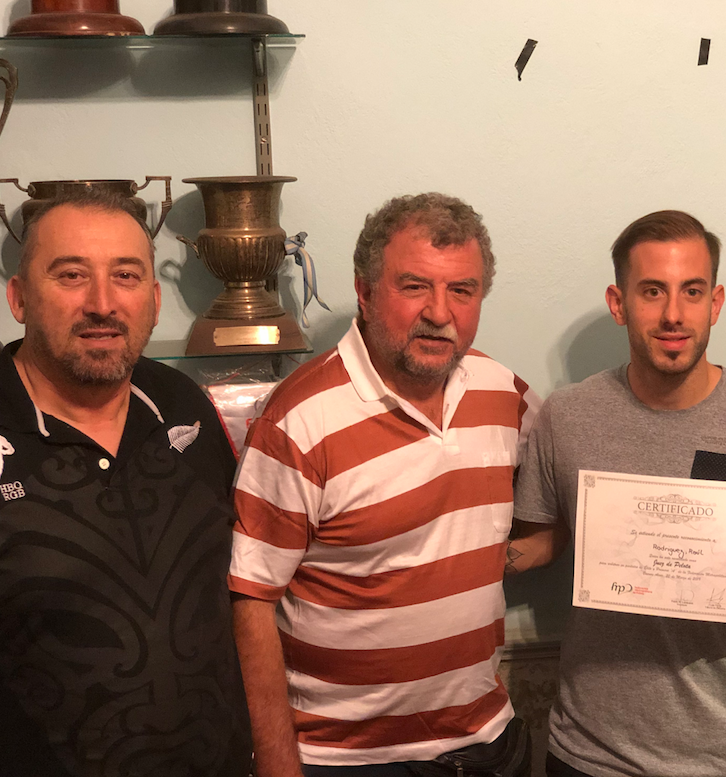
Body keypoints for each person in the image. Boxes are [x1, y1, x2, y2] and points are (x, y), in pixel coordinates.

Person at [229, 193, 540, 777]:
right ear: (365, 293)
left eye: (462, 290)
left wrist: (510, 554)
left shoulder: (503, 393)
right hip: (347, 760)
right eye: (414, 286)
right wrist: (276, 765)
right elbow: (251, 599)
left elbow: (566, 496)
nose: (440, 312)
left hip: (488, 743)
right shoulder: (299, 420)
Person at [508, 210, 726, 777]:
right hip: (588, 753)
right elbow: (541, 541)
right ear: (618, 303)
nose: (673, 314)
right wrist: (444, 551)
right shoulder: (567, 417)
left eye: (692, 291)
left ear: (716, 303)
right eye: (652, 291)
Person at [0, 191, 251, 777]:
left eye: (125, 275)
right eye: (71, 275)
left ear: (153, 299)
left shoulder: (182, 405)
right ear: (19, 298)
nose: (102, 304)